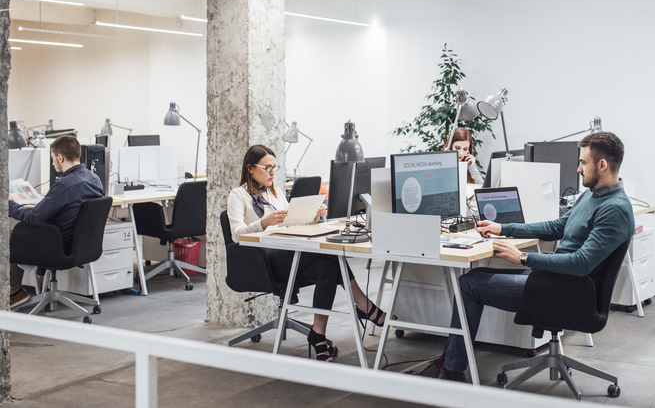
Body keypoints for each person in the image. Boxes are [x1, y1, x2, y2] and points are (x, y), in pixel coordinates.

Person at [434, 132, 634, 382]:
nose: (578, 169)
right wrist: (504, 228)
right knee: (473, 276)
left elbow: (581, 263)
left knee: (468, 285)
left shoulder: (614, 209)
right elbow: (556, 227)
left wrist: (524, 258)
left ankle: (451, 369)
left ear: (602, 165)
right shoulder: (594, 195)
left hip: (568, 291)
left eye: (583, 162)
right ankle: (449, 360)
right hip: (556, 279)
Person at [228, 144, 388, 362]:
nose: (273, 173)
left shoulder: (275, 193)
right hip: (262, 260)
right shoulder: (238, 195)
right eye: (267, 168)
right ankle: (364, 305)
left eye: (274, 167)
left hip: (286, 251)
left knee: (329, 267)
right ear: (250, 168)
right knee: (331, 252)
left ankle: (318, 334)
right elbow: (236, 234)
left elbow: (289, 222)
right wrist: (262, 223)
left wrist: (311, 216)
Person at [8, 136, 104, 308]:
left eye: (53, 158)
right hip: (80, 245)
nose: (53, 163)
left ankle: (14, 292)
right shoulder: (93, 178)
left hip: (57, 246)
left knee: (12, 235)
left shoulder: (65, 185)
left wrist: (9, 204)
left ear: (60, 157)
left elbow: (34, 217)